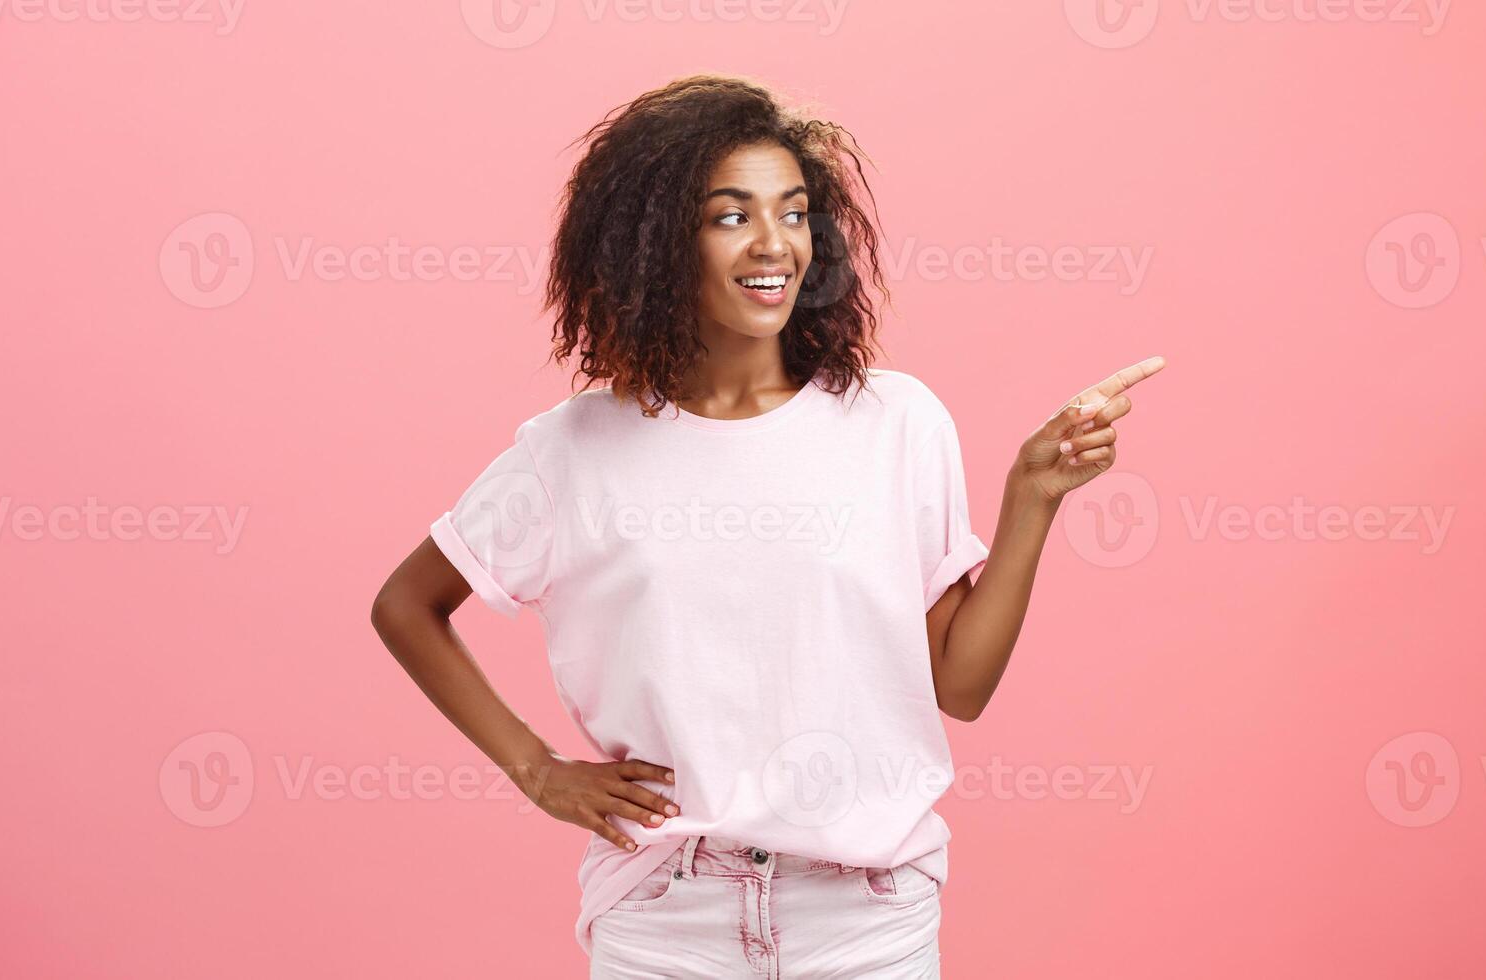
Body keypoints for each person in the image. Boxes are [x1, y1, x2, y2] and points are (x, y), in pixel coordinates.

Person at [370, 73, 1165, 978]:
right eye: (731, 215)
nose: (774, 243)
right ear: (656, 244)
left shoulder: (895, 424)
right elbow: (407, 604)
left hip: (866, 918)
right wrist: (538, 771)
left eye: (792, 213)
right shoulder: (574, 452)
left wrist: (1032, 500)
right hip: (669, 918)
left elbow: (961, 687)